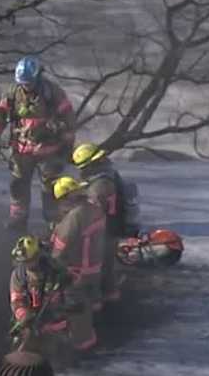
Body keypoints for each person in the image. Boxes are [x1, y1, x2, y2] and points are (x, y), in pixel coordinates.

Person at [0, 55, 76, 231]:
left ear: (37, 77)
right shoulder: (14, 93)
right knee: (18, 184)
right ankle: (18, 218)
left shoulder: (53, 93)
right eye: (23, 83)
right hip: (21, 149)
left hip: (49, 150)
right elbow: (1, 113)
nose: (26, 86)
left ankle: (53, 221)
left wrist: (65, 143)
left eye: (29, 83)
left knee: (51, 187)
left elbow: (69, 119)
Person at [48, 176, 106, 351]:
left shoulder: (74, 217)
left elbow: (60, 249)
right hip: (95, 268)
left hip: (76, 272)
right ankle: (94, 332)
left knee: (75, 308)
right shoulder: (94, 208)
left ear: (67, 198)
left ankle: (82, 344)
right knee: (89, 303)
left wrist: (53, 268)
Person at [73, 143, 123, 306]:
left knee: (97, 265)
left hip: (104, 229)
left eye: (84, 168)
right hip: (112, 225)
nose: (82, 172)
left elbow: (93, 212)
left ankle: (101, 303)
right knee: (107, 264)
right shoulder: (108, 175)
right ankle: (111, 296)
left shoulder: (99, 186)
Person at [8, 235, 72, 358]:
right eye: (23, 262)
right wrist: (25, 316)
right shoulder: (19, 275)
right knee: (20, 344)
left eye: (29, 261)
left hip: (54, 323)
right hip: (30, 320)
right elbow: (17, 300)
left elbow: (70, 293)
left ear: (38, 256)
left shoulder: (54, 270)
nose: (25, 265)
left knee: (54, 355)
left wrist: (63, 286)